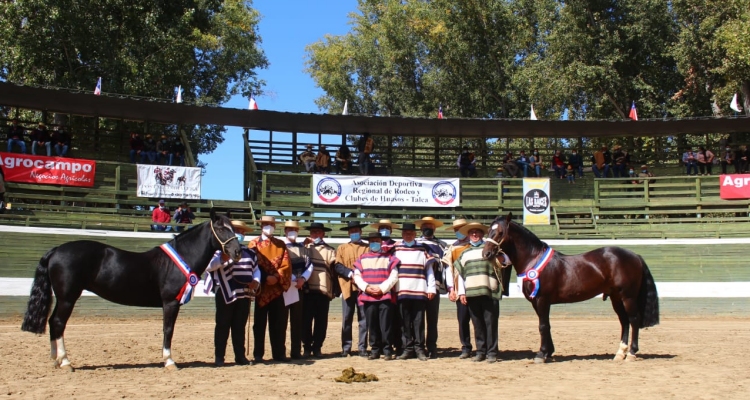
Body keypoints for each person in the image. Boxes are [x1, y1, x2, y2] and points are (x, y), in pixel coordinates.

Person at [205, 220, 259, 367]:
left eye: (242, 232)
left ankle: (240, 356)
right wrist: (223, 259)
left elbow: (256, 270)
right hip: (224, 291)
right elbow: (209, 267)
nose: (240, 234)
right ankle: (219, 356)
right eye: (237, 231)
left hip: (244, 292)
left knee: (239, 325)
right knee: (223, 324)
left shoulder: (249, 252)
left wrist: (256, 280)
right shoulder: (218, 252)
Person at [454, 222, 501, 363]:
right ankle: (480, 351)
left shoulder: (491, 249)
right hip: (472, 293)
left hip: (489, 292)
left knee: (491, 323)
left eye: (478, 232)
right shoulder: (464, 253)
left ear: (482, 234)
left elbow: (505, 262)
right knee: (477, 323)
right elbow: (459, 275)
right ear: (468, 235)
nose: (475, 234)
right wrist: (461, 293)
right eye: (472, 232)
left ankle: (492, 352)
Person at [248, 216, 292, 363]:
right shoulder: (253, 244)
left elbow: (286, 265)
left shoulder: (280, 244)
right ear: (261, 226)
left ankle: (279, 353)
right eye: (266, 224)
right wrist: (266, 277)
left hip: (277, 290)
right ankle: (258, 354)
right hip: (261, 289)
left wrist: (277, 277)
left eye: (271, 224)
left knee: (278, 324)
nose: (269, 227)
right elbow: (252, 264)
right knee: (259, 325)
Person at [353, 232, 400, 361]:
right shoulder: (362, 258)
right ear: (369, 242)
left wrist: (382, 289)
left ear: (381, 242)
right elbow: (356, 276)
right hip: (368, 296)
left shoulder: (390, 257)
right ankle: (375, 350)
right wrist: (367, 288)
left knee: (386, 325)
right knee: (372, 325)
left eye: (377, 240)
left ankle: (387, 349)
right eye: (372, 240)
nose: (374, 242)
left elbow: (394, 276)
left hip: (384, 296)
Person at [393, 223, 436, 361]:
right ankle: (408, 348)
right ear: (402, 234)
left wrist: (431, 287)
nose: (408, 235)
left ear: (415, 234)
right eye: (405, 233)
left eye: (411, 233)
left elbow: (429, 270)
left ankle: (419, 349)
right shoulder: (396, 249)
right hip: (402, 290)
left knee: (418, 321)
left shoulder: (422, 249)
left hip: (419, 290)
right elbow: (392, 270)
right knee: (404, 322)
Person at [334, 221, 370, 357]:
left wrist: (359, 276)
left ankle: (362, 347)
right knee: (346, 318)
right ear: (349, 233)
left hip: (363, 288)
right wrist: (351, 274)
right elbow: (338, 266)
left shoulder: (367, 248)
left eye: (356, 230)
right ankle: (346, 347)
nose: (354, 232)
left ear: (360, 232)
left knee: (364, 319)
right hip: (347, 286)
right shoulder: (342, 248)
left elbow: (369, 264)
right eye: (352, 230)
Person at [302, 222, 337, 358]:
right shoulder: (304, 247)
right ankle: (306, 347)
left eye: (318, 232)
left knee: (321, 322)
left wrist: (333, 290)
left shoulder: (330, 250)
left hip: (323, 290)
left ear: (323, 234)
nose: (315, 234)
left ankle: (317, 347)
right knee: (305, 321)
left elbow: (334, 272)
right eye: (313, 232)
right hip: (307, 290)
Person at [414, 216, 446, 359]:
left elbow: (445, 267)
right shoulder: (416, 243)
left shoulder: (442, 245)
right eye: (425, 226)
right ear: (420, 228)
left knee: (432, 319)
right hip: (418, 286)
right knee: (418, 319)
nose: (428, 228)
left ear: (435, 228)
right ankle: (418, 346)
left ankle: (432, 346)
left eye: (431, 226)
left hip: (435, 287)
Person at [282, 220, 313, 360]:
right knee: (281, 321)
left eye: (294, 229)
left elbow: (309, 265)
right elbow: (282, 265)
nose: (292, 231)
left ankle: (296, 351)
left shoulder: (303, 248)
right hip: (284, 287)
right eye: (289, 229)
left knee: (297, 321)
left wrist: (303, 279)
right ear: (285, 231)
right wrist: (292, 278)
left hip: (299, 287)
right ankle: (280, 351)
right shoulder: (281, 246)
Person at [441, 219, 472, 359]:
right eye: (456, 229)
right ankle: (466, 347)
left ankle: (483, 347)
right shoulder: (452, 248)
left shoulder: (477, 245)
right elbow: (449, 270)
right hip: (459, 288)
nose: (458, 232)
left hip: (476, 286)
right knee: (463, 319)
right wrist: (451, 288)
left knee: (479, 320)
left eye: (461, 228)